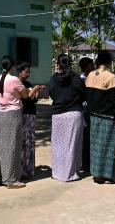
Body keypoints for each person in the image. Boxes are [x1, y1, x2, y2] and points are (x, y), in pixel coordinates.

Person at [0, 56, 40, 188]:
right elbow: (26, 96)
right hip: (13, 114)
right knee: (13, 147)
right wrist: (35, 89)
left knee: (2, 146)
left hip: (1, 114)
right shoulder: (14, 80)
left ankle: (2, 176)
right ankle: (11, 179)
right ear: (12, 67)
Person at [85, 51, 115, 184]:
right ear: (108, 62)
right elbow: (114, 100)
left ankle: (96, 174)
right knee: (106, 146)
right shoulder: (110, 76)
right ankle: (104, 176)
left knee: (95, 145)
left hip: (93, 115)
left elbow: (87, 96)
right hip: (107, 116)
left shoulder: (90, 75)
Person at [49, 54, 86, 182]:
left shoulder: (53, 79)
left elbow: (52, 94)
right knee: (72, 145)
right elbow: (84, 95)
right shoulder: (77, 79)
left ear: (58, 64)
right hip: (73, 114)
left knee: (58, 145)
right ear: (70, 63)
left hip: (58, 115)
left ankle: (58, 172)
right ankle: (70, 173)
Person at [18, 62, 43, 179]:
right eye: (26, 71)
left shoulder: (28, 83)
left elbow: (33, 100)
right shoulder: (18, 83)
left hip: (31, 114)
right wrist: (34, 90)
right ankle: (22, 170)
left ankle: (29, 169)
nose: (28, 74)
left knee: (30, 142)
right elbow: (26, 99)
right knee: (23, 142)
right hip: (23, 114)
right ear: (20, 71)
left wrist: (37, 92)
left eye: (29, 72)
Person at [78, 57, 94, 173]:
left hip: (90, 110)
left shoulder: (91, 77)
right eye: (91, 65)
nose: (93, 67)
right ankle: (85, 164)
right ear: (85, 67)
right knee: (86, 138)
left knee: (89, 138)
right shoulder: (82, 79)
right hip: (85, 111)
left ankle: (88, 162)